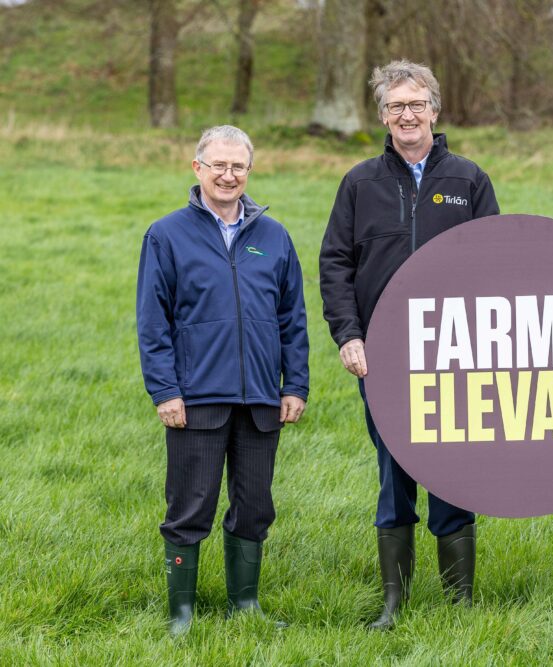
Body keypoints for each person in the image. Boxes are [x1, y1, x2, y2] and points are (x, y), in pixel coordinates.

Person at [319, 60, 499, 630]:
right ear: (382, 116)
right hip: (384, 356)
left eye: (416, 104)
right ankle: (393, 603)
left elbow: (497, 266)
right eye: (395, 106)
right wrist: (349, 335)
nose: (407, 115)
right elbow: (335, 264)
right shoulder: (359, 183)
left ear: (434, 110)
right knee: (394, 472)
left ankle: (459, 604)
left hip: (454, 354)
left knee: (452, 469)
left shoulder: (468, 179)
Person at [136, 125, 309, 636]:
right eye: (219, 165)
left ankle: (245, 604)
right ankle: (181, 613)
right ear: (198, 168)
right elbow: (152, 322)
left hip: (261, 398)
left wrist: (294, 385)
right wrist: (165, 391)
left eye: (238, 166)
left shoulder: (274, 237)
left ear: (249, 171)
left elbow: (293, 318)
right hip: (196, 397)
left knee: (255, 505)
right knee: (190, 506)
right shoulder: (166, 235)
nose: (228, 175)